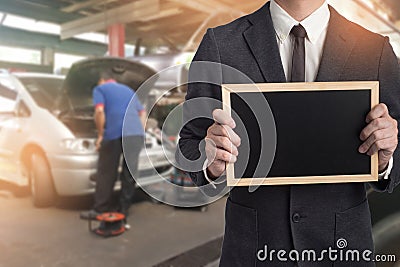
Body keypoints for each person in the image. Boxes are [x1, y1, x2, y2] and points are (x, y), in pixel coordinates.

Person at [177, 0, 400, 266]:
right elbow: (189, 141)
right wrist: (209, 160)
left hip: (341, 249)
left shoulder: (374, 49)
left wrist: (387, 157)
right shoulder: (221, 43)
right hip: (254, 249)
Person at [80, 70, 146, 224]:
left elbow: (99, 111)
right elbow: (142, 113)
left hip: (115, 133)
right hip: (135, 135)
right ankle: (123, 209)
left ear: (102, 80)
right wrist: (140, 131)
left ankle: (100, 209)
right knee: (129, 173)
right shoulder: (129, 90)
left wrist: (101, 134)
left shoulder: (100, 89)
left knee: (106, 172)